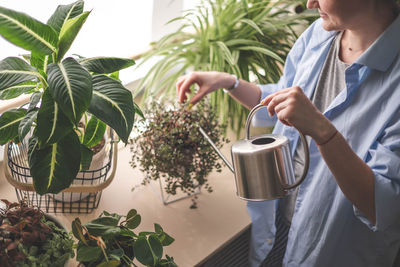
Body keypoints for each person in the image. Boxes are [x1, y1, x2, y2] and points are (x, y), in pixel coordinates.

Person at [176, 0, 400, 266]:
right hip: (282, 222)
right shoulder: (319, 33)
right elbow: (284, 98)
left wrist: (323, 131)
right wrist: (229, 82)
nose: (309, 3)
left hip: (332, 247)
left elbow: (384, 206)